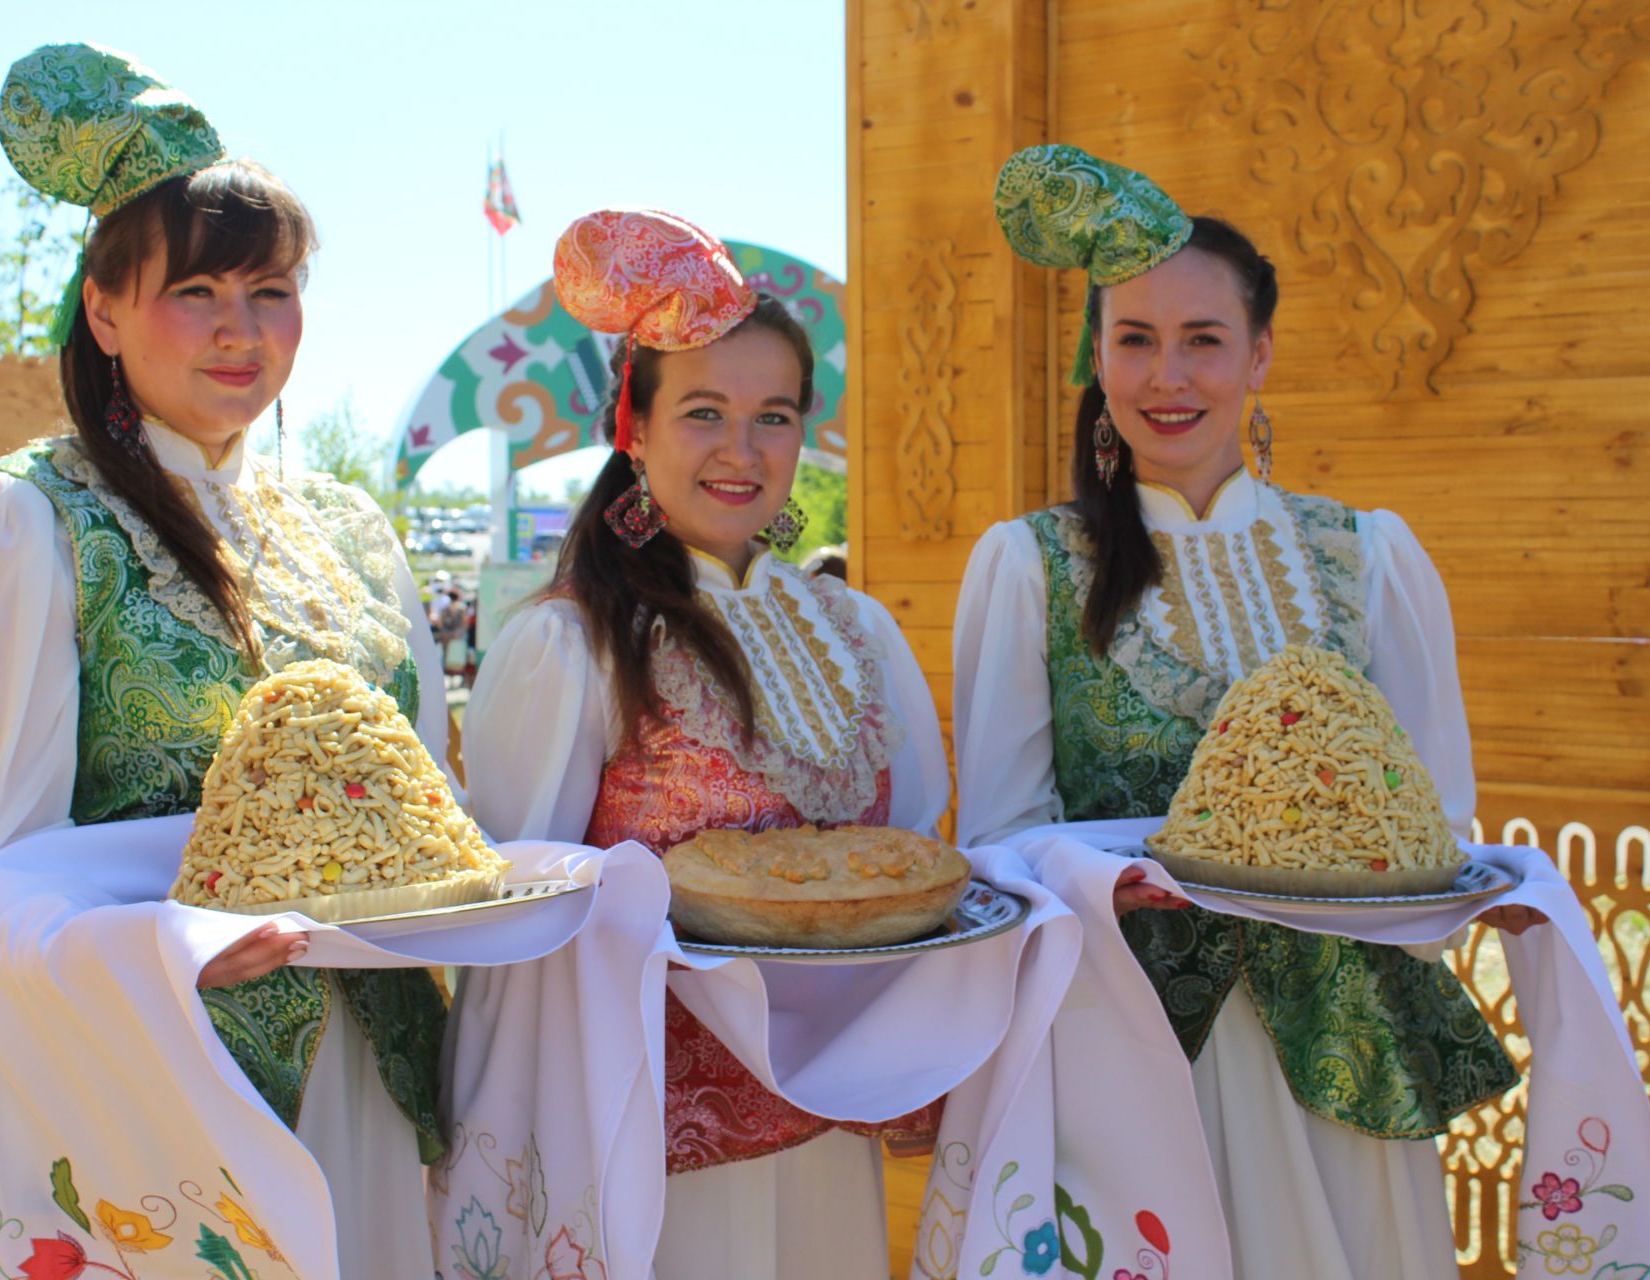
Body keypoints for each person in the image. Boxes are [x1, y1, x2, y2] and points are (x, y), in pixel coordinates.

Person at [0, 43, 451, 1278]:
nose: (239, 330)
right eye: (196, 291)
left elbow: (429, 812)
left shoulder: (355, 534)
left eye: (271, 291)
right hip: (146, 1085)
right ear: (103, 310)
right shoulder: (26, 519)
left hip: (365, 1083)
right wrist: (166, 942)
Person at [954, 144, 1543, 1279]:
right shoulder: (1030, 563)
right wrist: (1096, 881)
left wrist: (1474, 889)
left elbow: (1434, 809)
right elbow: (999, 840)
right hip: (1130, 1039)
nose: (1166, 375)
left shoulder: (1366, 553)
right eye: (1135, 339)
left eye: (1203, 340)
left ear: (1260, 353)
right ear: (1099, 358)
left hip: (1346, 1045)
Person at [462, 209, 948, 1280]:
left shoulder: (857, 630)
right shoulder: (570, 641)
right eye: (704, 411)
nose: (742, 449)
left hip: (827, 1122)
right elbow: (514, 914)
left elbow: (911, 860)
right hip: (642, 1141)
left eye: (773, 415)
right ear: (632, 427)